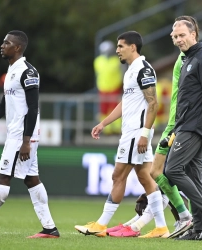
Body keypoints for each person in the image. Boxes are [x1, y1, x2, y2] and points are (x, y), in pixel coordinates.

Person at [0, 30, 59, 239]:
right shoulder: (11, 72)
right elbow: (3, 106)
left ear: (17, 47)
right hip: (20, 135)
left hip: (22, 137)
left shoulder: (28, 72)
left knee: (2, 177)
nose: (2, 45)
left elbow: (33, 108)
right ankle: (50, 229)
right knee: (31, 179)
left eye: (6, 43)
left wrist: (26, 141)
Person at [75, 31, 169, 238]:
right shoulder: (129, 71)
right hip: (133, 131)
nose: (117, 50)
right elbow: (126, 103)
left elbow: (153, 103)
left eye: (120, 46)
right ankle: (161, 227)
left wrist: (145, 134)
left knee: (118, 175)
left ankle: (101, 224)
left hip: (137, 132)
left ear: (133, 47)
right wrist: (103, 123)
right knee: (145, 177)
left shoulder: (143, 69)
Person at [164, 16, 202, 241]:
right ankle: (198, 228)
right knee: (193, 175)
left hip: (195, 127)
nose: (178, 40)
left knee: (172, 170)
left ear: (193, 35)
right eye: (175, 36)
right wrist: (174, 130)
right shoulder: (188, 59)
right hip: (186, 126)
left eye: (182, 35)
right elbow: (186, 101)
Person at [107, 165, 202, 238]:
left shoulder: (179, 164)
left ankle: (135, 227)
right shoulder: (187, 162)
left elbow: (164, 195)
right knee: (165, 190)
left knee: (164, 191)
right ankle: (130, 226)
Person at [94, 40, 124, 135]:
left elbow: (122, 74)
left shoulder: (117, 61)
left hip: (114, 88)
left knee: (115, 108)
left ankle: (116, 128)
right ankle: (105, 129)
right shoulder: (97, 61)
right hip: (102, 89)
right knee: (103, 109)